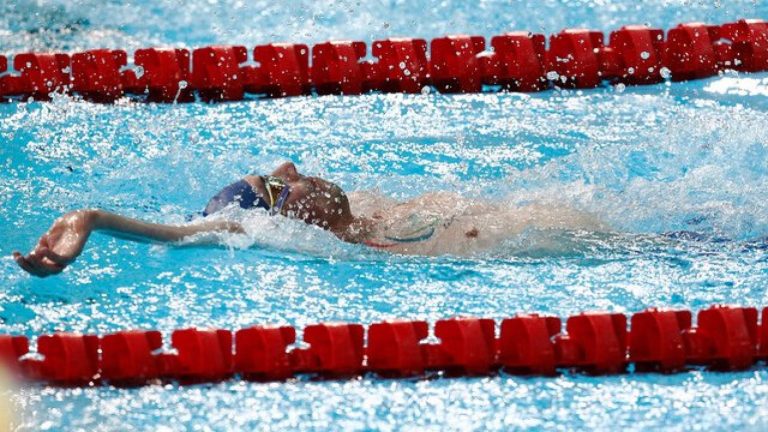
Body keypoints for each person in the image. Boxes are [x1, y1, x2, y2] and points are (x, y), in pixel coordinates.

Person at [12, 162, 604, 277]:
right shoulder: (247, 226)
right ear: (291, 214)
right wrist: (87, 219)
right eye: (284, 186)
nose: (293, 170)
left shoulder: (353, 211)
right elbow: (176, 235)